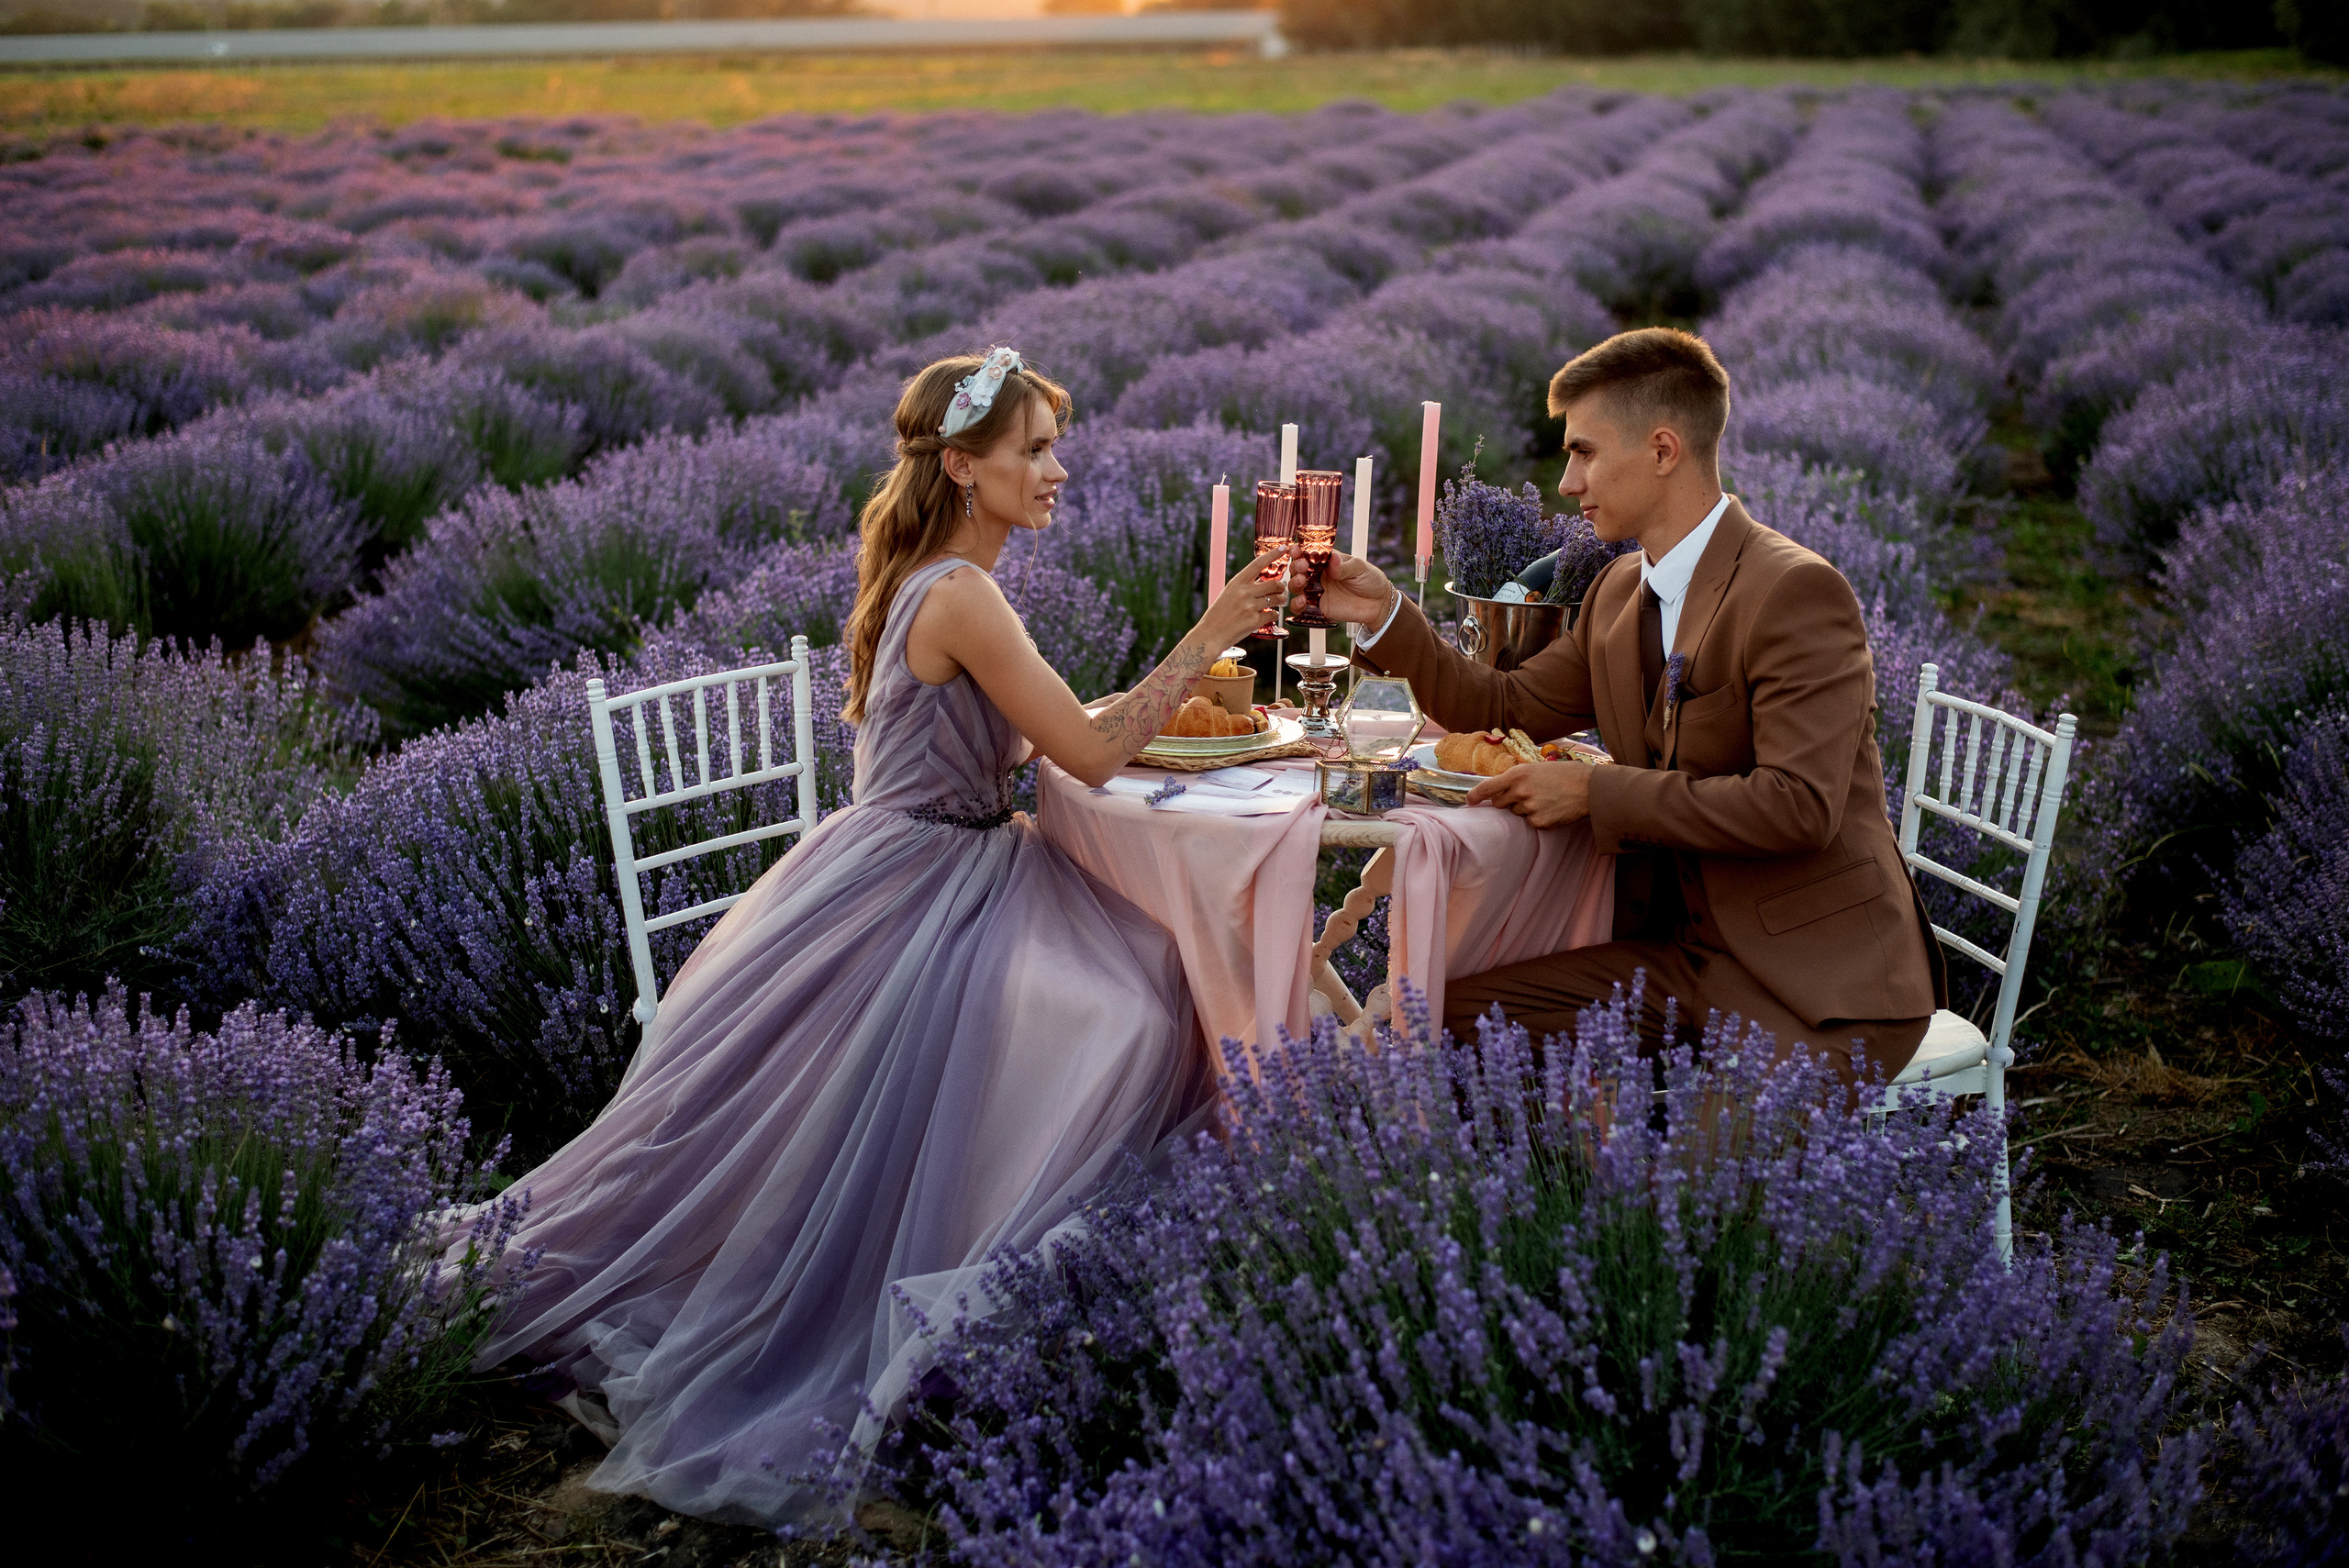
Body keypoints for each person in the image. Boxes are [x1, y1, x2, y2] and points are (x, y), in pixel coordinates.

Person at [468, 347, 1289, 1528]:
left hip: (915, 860)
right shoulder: (963, 590)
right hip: (917, 885)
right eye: (1035, 449)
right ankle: (969, 1292)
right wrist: (1214, 626)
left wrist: (1131, 698)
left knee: (1132, 988)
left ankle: (989, 1273)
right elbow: (1093, 758)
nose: (1056, 470)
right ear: (964, 466)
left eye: (1053, 445)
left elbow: (1046, 727)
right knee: (1137, 1009)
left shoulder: (948, 576)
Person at [1305, 328, 1943, 1083]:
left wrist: (1594, 792)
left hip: (1819, 987)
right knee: (1429, 1028)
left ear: (1664, 449)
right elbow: (1505, 702)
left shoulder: (1794, 592)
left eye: (1585, 452)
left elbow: (1799, 806)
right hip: (1680, 964)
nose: (1569, 482)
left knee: (1661, 1182)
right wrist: (1383, 613)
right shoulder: (1616, 593)